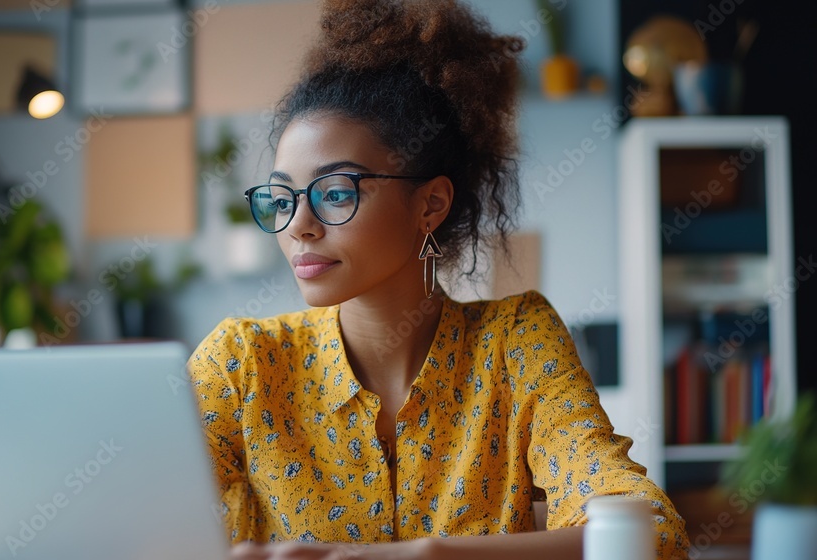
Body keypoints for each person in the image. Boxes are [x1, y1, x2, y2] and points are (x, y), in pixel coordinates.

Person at [186, 1, 690, 558]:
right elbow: (126, 525)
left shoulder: (514, 342)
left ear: (429, 204)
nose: (298, 226)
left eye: (334, 193)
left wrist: (430, 554)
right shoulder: (242, 365)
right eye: (282, 198)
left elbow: (653, 535)